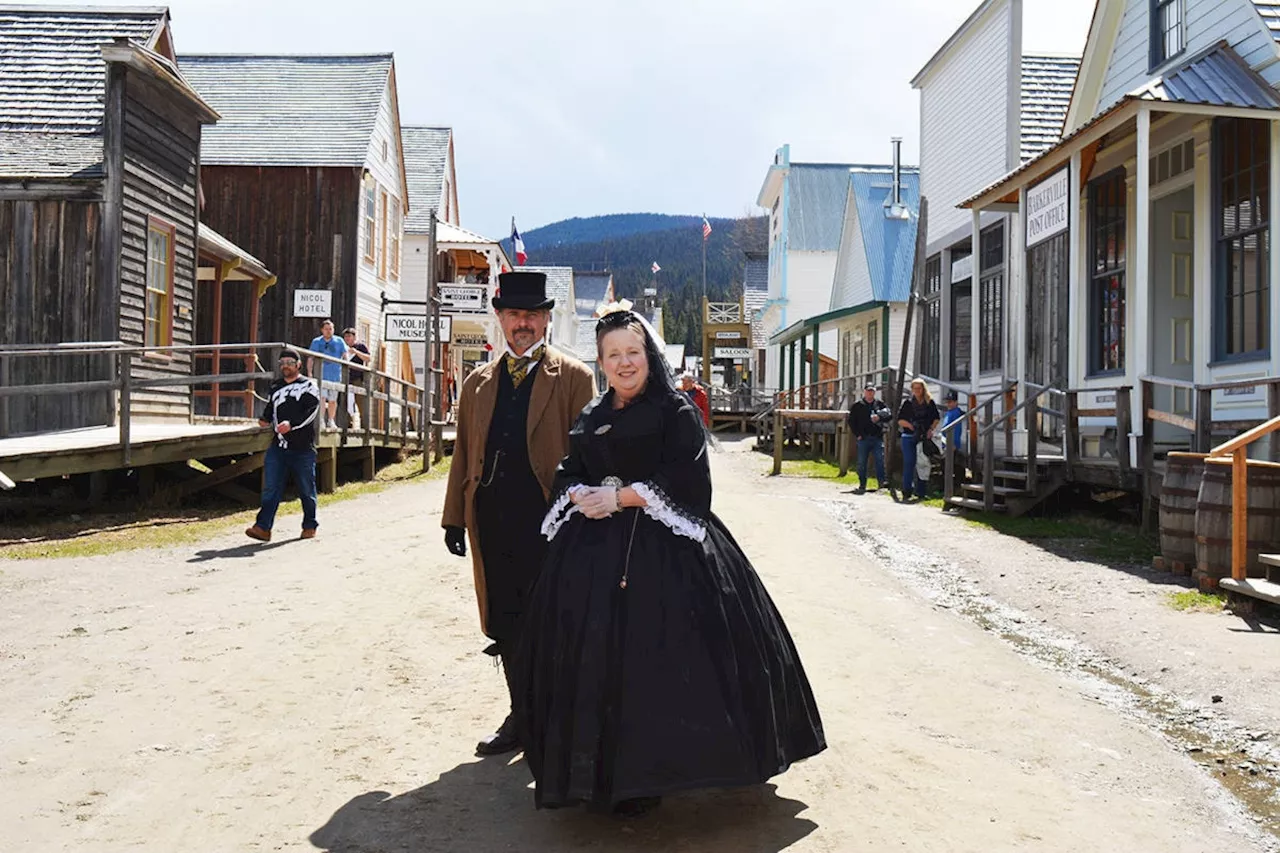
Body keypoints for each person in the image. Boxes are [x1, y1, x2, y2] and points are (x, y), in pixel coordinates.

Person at [512, 303, 825, 817]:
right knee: (598, 660)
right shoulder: (592, 414)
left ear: (648, 355)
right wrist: (577, 494)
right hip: (594, 555)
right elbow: (569, 468)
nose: (624, 363)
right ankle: (609, 774)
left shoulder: (674, 411)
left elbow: (690, 483)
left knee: (664, 656)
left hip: (666, 551)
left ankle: (660, 771)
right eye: (613, 355)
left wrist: (624, 497)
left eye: (632, 352)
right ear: (601, 361)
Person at [441, 271, 596, 757]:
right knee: (506, 622)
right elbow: (464, 453)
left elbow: (589, 457)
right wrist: (453, 517)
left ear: (546, 319)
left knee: (549, 621)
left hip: (549, 523)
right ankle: (521, 717)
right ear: (500, 319)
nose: (522, 324)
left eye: (532, 315)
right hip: (493, 519)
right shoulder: (478, 382)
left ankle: (553, 719)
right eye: (513, 315)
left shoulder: (573, 378)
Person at [245, 348, 321, 542]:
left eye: (289, 362)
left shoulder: (309, 385)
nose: (285, 365)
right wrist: (264, 419)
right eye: (282, 362)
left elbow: (311, 412)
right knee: (271, 487)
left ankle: (309, 525)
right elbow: (270, 409)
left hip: (303, 447)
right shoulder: (276, 386)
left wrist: (292, 425)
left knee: (306, 488)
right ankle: (263, 527)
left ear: (298, 365)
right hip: (278, 446)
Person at [896, 378, 941, 502]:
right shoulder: (908, 403)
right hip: (909, 436)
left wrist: (931, 429)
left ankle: (921, 491)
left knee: (923, 463)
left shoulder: (929, 402)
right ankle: (907, 491)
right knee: (909, 463)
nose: (917, 390)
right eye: (914, 388)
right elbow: (900, 420)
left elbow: (936, 418)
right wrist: (910, 426)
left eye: (919, 388)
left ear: (923, 389)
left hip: (923, 437)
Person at [848, 383, 890, 493]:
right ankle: (862, 484)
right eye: (868, 390)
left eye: (872, 391)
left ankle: (882, 483)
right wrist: (858, 434)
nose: (870, 393)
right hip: (863, 438)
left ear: (875, 392)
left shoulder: (880, 405)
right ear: (864, 391)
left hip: (877, 437)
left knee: (880, 460)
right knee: (862, 462)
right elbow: (852, 422)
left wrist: (879, 416)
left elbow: (889, 416)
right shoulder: (857, 406)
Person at [308, 319, 348, 430]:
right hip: (321, 374)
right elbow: (311, 357)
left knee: (333, 400)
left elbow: (345, 356)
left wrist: (346, 370)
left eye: (330, 329)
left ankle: (331, 420)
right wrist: (310, 372)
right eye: (326, 329)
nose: (329, 331)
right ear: (322, 330)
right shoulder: (316, 341)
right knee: (321, 397)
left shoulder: (339, 341)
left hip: (335, 374)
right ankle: (321, 420)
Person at [342, 327, 371, 429]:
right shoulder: (342, 347)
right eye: (345, 336)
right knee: (346, 403)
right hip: (345, 378)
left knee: (361, 403)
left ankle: (365, 427)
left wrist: (356, 352)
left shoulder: (360, 346)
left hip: (358, 378)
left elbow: (368, 358)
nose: (347, 339)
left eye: (349, 336)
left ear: (354, 337)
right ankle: (348, 426)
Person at [940, 390, 966, 490]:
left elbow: (955, 430)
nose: (948, 404)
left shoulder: (956, 413)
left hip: (952, 444)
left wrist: (953, 444)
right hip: (946, 443)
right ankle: (950, 487)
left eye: (951, 402)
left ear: (956, 402)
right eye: (947, 402)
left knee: (951, 467)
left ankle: (952, 488)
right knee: (946, 466)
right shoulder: (949, 412)